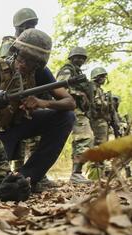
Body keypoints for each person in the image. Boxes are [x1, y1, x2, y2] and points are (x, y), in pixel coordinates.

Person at [0, 29, 76, 192]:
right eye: (22, 57)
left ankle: (28, 176)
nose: (24, 64)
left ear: (39, 63)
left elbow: (70, 102)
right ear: (15, 52)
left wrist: (42, 102)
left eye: (32, 62)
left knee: (66, 117)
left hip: (17, 126)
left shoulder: (40, 73)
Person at [56, 47, 93, 184]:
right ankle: (76, 174)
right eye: (77, 57)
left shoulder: (78, 72)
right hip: (72, 109)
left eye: (83, 58)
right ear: (71, 58)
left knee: (85, 139)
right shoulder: (67, 70)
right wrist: (79, 94)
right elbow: (58, 88)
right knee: (84, 138)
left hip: (79, 110)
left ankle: (77, 173)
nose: (80, 60)